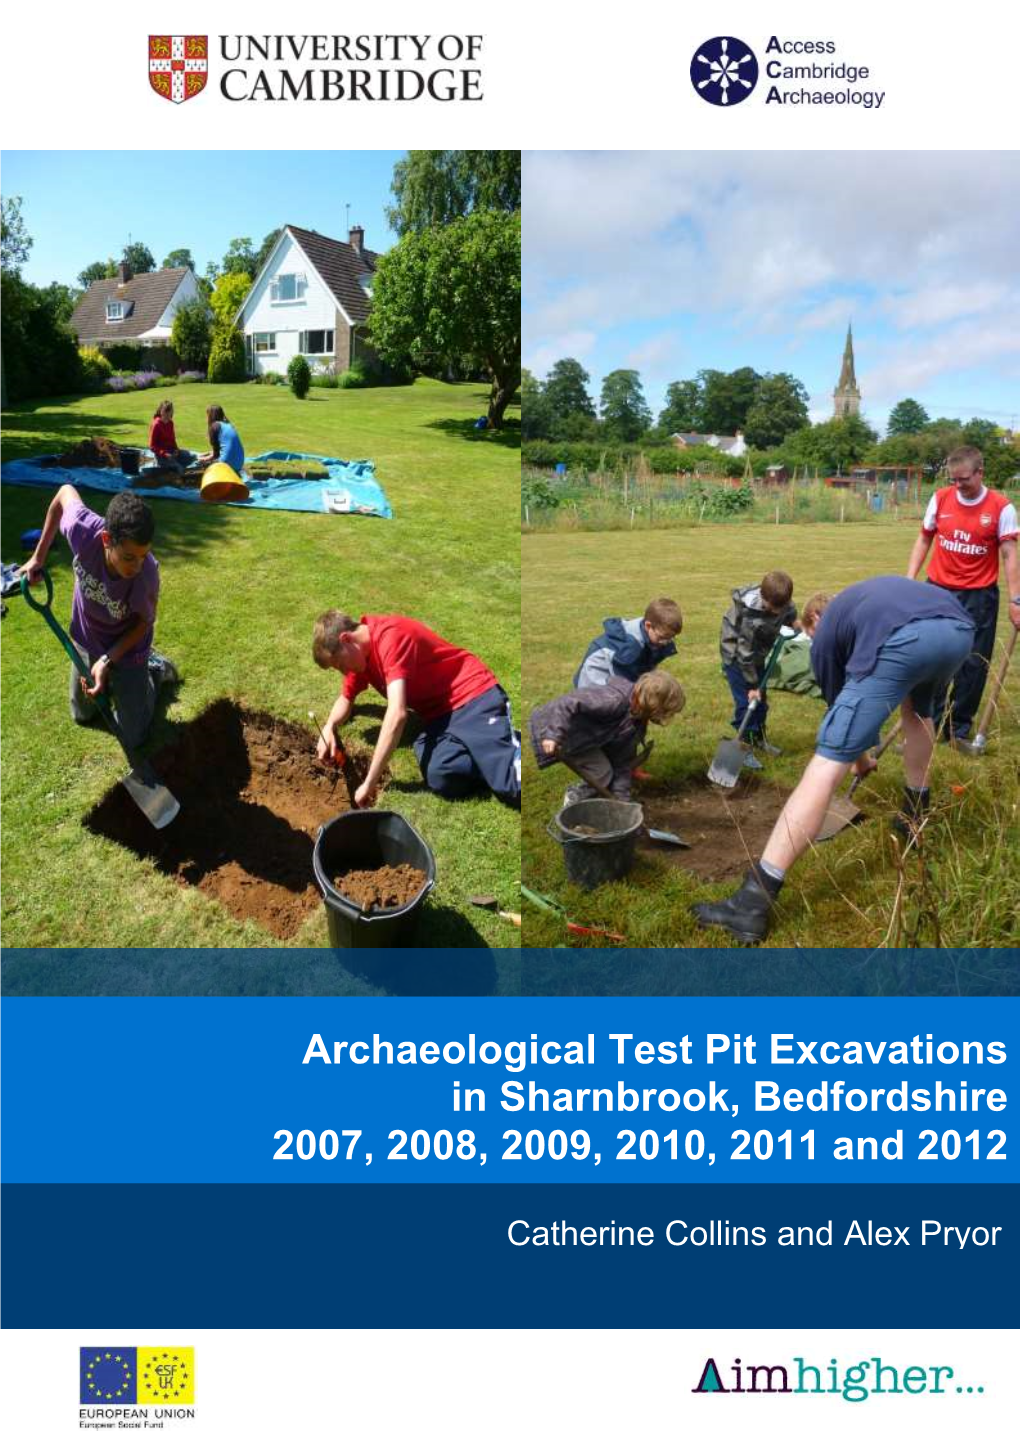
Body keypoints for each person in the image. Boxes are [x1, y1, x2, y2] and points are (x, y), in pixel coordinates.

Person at [693, 577, 975, 944]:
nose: (810, 642)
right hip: (957, 631)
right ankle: (915, 816)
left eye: (809, 636)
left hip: (905, 641)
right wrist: (861, 755)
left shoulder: (825, 637)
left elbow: (838, 708)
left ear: (813, 621)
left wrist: (854, 759)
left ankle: (751, 903)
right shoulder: (864, 602)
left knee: (827, 761)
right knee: (919, 714)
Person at [19, 486, 178, 748]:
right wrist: (38, 557)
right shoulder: (83, 530)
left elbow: (144, 624)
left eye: (143, 555)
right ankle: (117, 682)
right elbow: (64, 493)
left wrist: (108, 659)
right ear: (106, 540)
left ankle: (154, 670)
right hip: (88, 637)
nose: (136, 565)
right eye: (129, 557)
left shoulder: (146, 575)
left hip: (128, 648)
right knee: (82, 714)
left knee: (131, 736)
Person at [312, 611, 521, 808]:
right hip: (440, 717)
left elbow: (397, 714)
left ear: (346, 639)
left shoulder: (390, 638)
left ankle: (508, 746)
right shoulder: (361, 658)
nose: (344, 672)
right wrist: (330, 726)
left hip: (473, 697)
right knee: (441, 776)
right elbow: (346, 698)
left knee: (510, 786)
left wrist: (369, 783)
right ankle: (491, 752)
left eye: (340, 665)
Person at [905, 445, 1019, 751]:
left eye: (964, 479)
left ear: (980, 472)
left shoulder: (1001, 507)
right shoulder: (941, 498)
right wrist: (909, 581)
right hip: (937, 591)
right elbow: (924, 537)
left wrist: (1016, 599)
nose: (958, 485)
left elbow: (1009, 553)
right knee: (931, 658)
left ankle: (959, 731)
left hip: (979, 597)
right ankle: (925, 728)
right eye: (953, 479)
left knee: (972, 664)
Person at [530, 671, 685, 805]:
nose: (665, 717)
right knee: (601, 772)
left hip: (585, 737)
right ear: (653, 704)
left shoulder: (636, 725)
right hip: (559, 728)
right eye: (664, 712)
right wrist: (553, 735)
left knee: (605, 773)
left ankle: (594, 803)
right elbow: (568, 703)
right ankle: (573, 802)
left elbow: (622, 763)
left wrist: (622, 802)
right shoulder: (613, 699)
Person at [719, 570, 797, 768]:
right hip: (737, 659)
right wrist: (752, 685)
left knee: (761, 704)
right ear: (763, 598)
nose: (776, 613)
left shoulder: (782, 604)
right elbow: (744, 654)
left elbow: (790, 614)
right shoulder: (750, 616)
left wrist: (795, 624)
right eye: (771, 609)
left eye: (779, 609)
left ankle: (758, 739)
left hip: (758, 657)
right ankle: (742, 747)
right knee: (747, 704)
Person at [573, 597, 682, 689]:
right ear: (648, 626)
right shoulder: (629, 648)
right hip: (592, 687)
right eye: (663, 637)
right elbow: (624, 688)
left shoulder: (650, 633)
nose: (666, 642)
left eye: (671, 637)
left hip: (616, 679)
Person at [147, 399, 195, 474]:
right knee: (179, 468)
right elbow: (152, 446)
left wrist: (176, 450)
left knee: (192, 456)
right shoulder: (156, 424)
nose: (168, 416)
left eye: (170, 414)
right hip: (162, 455)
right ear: (161, 412)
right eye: (166, 414)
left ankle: (175, 465)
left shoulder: (170, 423)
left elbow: (172, 440)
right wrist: (165, 454)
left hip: (171, 452)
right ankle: (171, 467)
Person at [199, 405, 245, 473]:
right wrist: (210, 453)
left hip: (227, 464)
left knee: (199, 464)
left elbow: (216, 455)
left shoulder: (214, 426)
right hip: (239, 463)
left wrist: (202, 459)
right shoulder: (228, 425)